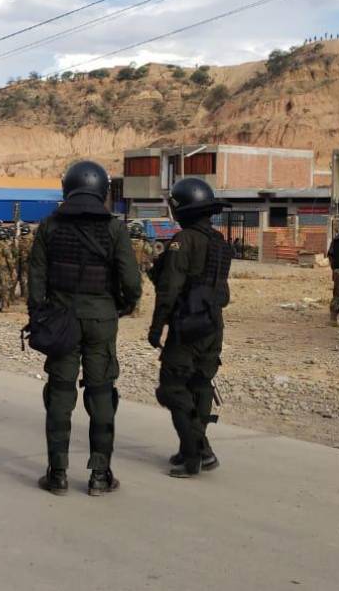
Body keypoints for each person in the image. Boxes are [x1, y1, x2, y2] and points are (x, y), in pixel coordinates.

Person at [29, 160, 142, 496]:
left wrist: (40, 318)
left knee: (60, 394)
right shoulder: (114, 228)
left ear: (69, 187)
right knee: (102, 393)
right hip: (101, 320)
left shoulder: (49, 226)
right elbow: (132, 282)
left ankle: (58, 474)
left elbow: (36, 280)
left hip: (62, 322)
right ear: (102, 190)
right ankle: (99, 474)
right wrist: (121, 305)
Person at [148, 177, 233, 478]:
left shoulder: (183, 241)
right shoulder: (219, 242)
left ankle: (197, 452)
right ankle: (193, 448)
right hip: (213, 325)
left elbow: (169, 290)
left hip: (188, 326)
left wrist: (156, 328)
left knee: (172, 388)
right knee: (199, 385)